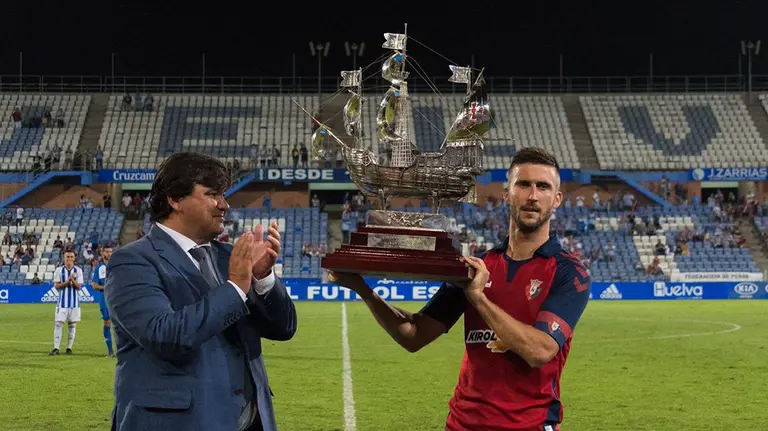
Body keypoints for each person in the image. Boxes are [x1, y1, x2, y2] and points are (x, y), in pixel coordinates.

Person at [330, 147, 591, 431]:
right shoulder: (476, 268)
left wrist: (478, 298)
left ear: (557, 199)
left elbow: (539, 351)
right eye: (523, 184)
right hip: (462, 424)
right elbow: (413, 335)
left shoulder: (569, 272)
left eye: (543, 187)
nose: (532, 195)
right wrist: (362, 289)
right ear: (507, 194)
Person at [105, 152, 297, 431]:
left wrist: (262, 278)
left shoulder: (229, 257)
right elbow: (165, 335)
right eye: (212, 194)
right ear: (175, 199)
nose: (224, 205)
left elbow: (284, 328)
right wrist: (235, 287)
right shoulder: (132, 261)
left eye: (223, 195)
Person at [49, 250, 84, 356]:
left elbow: (79, 287)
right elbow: (57, 286)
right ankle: (56, 348)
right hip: (62, 303)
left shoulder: (78, 270)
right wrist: (67, 281)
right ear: (64, 258)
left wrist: (72, 280)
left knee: (72, 325)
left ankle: (69, 348)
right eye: (67, 257)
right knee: (58, 324)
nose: (69, 259)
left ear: (74, 258)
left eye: (71, 257)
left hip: (74, 304)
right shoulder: (59, 270)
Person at [91, 245, 114, 357]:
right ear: (102, 253)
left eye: (110, 252)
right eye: (107, 252)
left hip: (117, 298)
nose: (109, 254)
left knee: (121, 324)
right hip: (105, 298)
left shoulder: (117, 266)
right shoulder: (99, 268)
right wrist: (107, 287)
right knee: (107, 322)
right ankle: (110, 351)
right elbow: (95, 286)